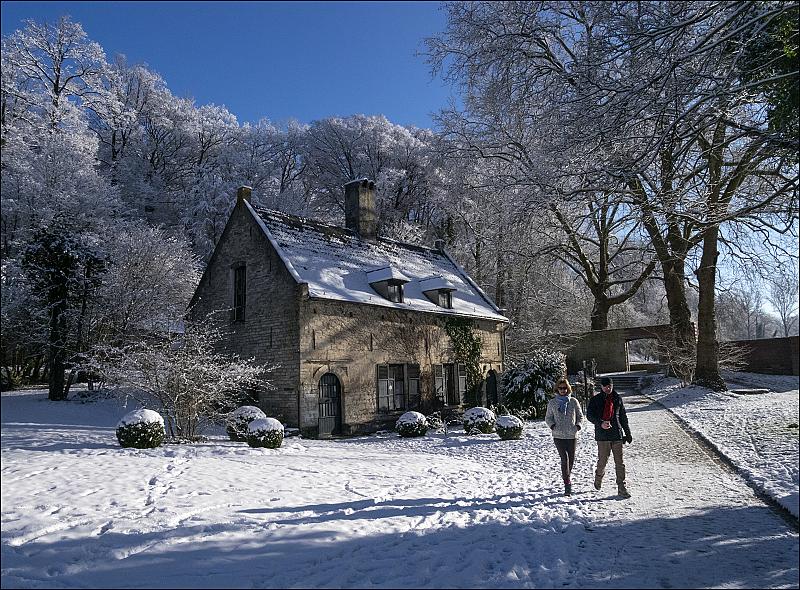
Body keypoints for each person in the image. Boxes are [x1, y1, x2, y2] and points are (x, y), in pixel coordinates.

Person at [586, 376, 633, 498]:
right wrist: (600, 423)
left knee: (620, 463)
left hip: (617, 434)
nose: (608, 388)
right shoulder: (595, 400)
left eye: (610, 386)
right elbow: (589, 415)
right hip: (603, 436)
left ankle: (621, 487)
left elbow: (623, 417)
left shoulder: (617, 398)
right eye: (606, 386)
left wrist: (627, 433)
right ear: (601, 387)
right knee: (602, 461)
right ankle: (598, 477)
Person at [545, 377, 584, 496]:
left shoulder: (573, 401)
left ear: (568, 389)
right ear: (557, 389)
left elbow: (580, 416)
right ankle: (567, 483)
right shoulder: (552, 403)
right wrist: (552, 426)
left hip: (572, 435)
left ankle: (567, 476)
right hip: (558, 436)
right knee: (564, 459)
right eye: (560, 388)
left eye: (565, 388)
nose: (563, 390)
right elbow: (548, 417)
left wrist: (577, 426)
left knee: (571, 460)